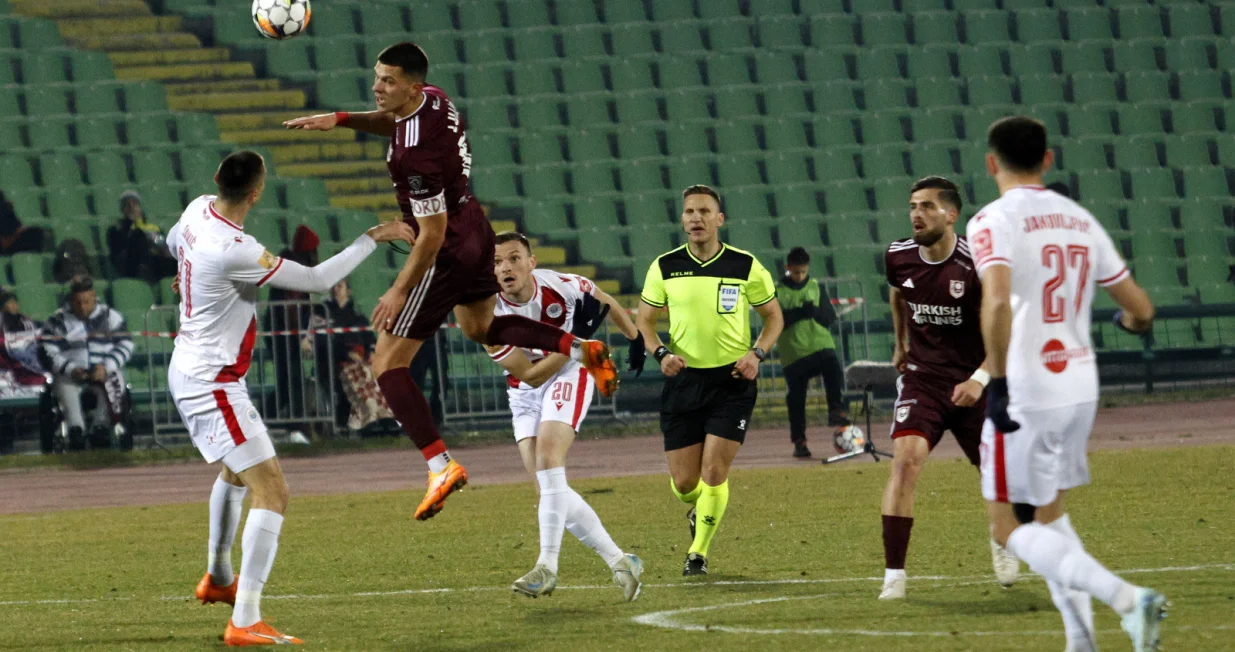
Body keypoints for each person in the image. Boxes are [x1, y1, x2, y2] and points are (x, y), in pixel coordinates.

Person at [283, 41, 617, 521]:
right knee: (481, 329)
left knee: (387, 365)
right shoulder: (437, 98)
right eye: (376, 77)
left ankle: (439, 464)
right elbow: (393, 120)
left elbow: (431, 235)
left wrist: (399, 289)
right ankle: (578, 346)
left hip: (444, 250)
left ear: (412, 85)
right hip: (476, 228)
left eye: (388, 81)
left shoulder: (412, 157)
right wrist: (339, 119)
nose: (377, 87)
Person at [166, 150, 414, 646]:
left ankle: (218, 579)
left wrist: (188, 276)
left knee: (236, 472)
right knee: (273, 491)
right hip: (212, 382)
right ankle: (244, 619)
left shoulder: (196, 211)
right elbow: (317, 280)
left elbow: (175, 244)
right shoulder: (238, 247)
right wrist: (372, 236)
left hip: (193, 367)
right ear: (257, 193)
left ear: (217, 180)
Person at [969, 117, 1164, 652]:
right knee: (1050, 516)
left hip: (1028, 387)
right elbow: (1141, 308)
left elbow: (995, 300)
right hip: (1079, 385)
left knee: (1007, 527)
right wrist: (1133, 326)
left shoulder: (992, 219)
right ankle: (1082, 644)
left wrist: (1000, 380)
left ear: (991, 163)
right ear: (1048, 159)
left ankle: (1127, 599)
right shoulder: (1080, 219)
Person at [878, 176, 1020, 600]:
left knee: (999, 478)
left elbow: (1005, 329)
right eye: (912, 206)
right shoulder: (898, 255)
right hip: (924, 379)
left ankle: (1002, 540)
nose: (916, 214)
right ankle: (894, 577)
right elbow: (897, 296)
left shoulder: (978, 262)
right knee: (905, 461)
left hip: (978, 380)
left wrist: (979, 379)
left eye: (925, 206)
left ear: (951, 214)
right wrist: (900, 344)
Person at [484, 231, 646, 601]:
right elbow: (530, 374)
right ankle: (621, 562)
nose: (505, 267)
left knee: (548, 459)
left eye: (513, 258)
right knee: (547, 488)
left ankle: (547, 566)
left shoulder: (562, 286)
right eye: (496, 262)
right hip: (526, 387)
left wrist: (635, 338)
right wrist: (579, 339)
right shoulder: (487, 315)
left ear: (531, 262)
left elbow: (603, 300)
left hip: (569, 374)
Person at [635, 185, 783, 576]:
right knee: (685, 483)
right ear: (682, 220)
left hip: (732, 381)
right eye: (689, 212)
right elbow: (645, 320)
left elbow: (773, 316)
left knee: (715, 471)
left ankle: (697, 553)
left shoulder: (744, 264)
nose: (696, 218)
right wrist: (660, 353)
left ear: (719, 219)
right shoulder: (664, 266)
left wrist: (757, 354)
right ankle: (698, 508)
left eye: (704, 211)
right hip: (684, 380)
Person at [38, 276, 133, 450]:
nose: (82, 307)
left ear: (94, 296)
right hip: (71, 374)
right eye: (77, 302)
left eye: (86, 302)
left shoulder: (111, 317)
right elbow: (48, 350)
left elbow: (126, 344)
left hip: (103, 371)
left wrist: (106, 366)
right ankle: (76, 430)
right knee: (64, 385)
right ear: (71, 300)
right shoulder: (57, 321)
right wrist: (71, 369)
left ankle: (101, 427)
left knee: (115, 380)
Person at [776, 246, 848, 459]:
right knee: (796, 397)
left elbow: (829, 318)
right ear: (787, 268)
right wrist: (799, 312)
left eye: (803, 272)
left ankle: (835, 409)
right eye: (795, 272)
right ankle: (799, 441)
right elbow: (775, 320)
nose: (799, 277)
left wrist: (815, 311)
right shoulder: (776, 291)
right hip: (794, 352)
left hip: (819, 344)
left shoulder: (817, 287)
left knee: (833, 366)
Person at [266, 225, 322, 429]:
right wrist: (300, 338)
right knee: (291, 381)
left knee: (288, 381)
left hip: (284, 333)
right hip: (284, 335)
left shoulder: (290, 266)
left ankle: (269, 419)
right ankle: (287, 423)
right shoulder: (293, 270)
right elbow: (291, 310)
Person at [106, 190, 177, 281]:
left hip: (154, 262)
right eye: (127, 205)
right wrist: (131, 223)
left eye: (134, 204)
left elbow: (162, 245)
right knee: (139, 236)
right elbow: (118, 251)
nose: (131, 208)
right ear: (122, 210)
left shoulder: (153, 228)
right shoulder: (116, 229)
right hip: (132, 265)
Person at [0, 190, 45, 256]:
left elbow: (15, 227)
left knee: (35, 233)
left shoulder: (4, 208)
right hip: (7, 245)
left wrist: (17, 232)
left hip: (13, 242)